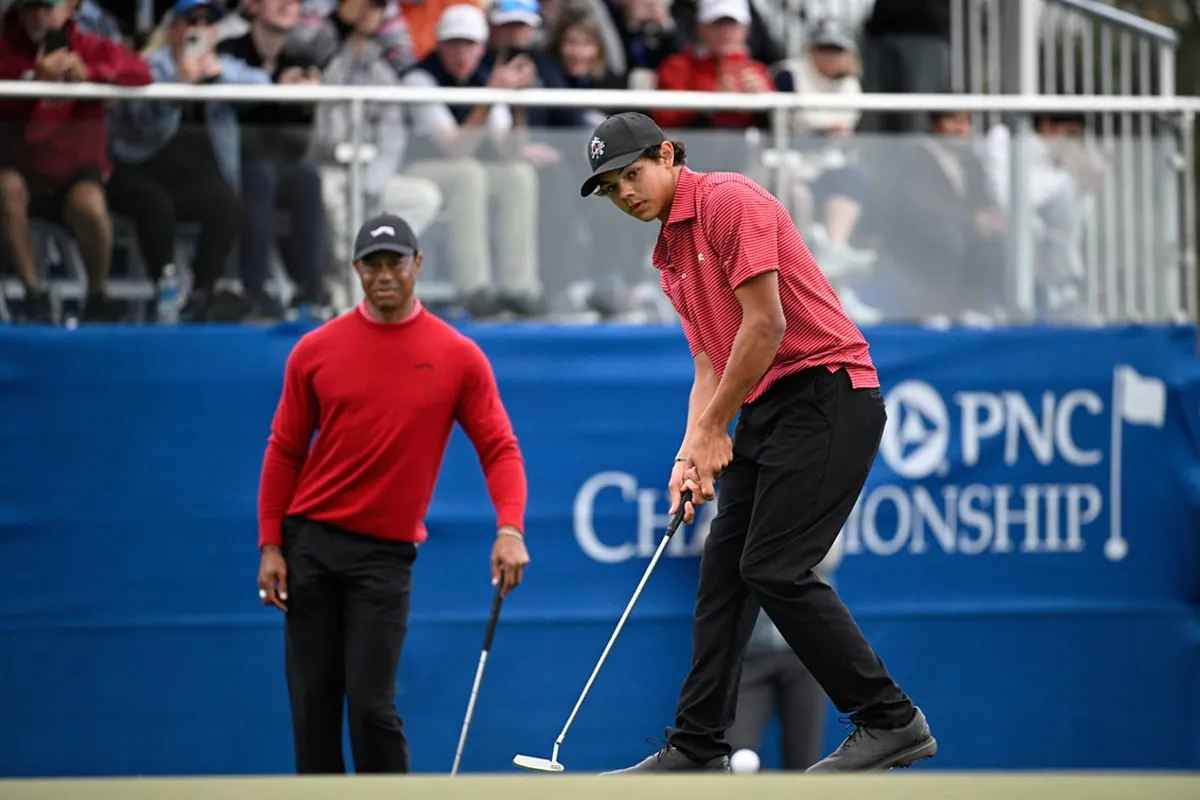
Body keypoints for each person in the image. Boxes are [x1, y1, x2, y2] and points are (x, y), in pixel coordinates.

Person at [577, 112, 937, 774]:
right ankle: (697, 746)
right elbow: (709, 366)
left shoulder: (728, 200)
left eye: (632, 174)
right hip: (766, 407)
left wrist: (715, 428)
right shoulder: (669, 255)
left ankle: (890, 720)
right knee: (724, 573)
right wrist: (691, 450)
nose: (624, 193)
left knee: (774, 566)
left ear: (666, 155)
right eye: (610, 187)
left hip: (829, 392)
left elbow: (765, 326)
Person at [255, 212, 532, 774]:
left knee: (371, 708)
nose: (384, 275)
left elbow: (499, 448)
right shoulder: (314, 350)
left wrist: (510, 528)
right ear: (356, 269)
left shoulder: (457, 356)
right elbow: (284, 451)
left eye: (395, 263)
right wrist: (270, 545)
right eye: (372, 264)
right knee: (313, 705)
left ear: (417, 265)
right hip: (310, 544)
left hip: (384, 556)